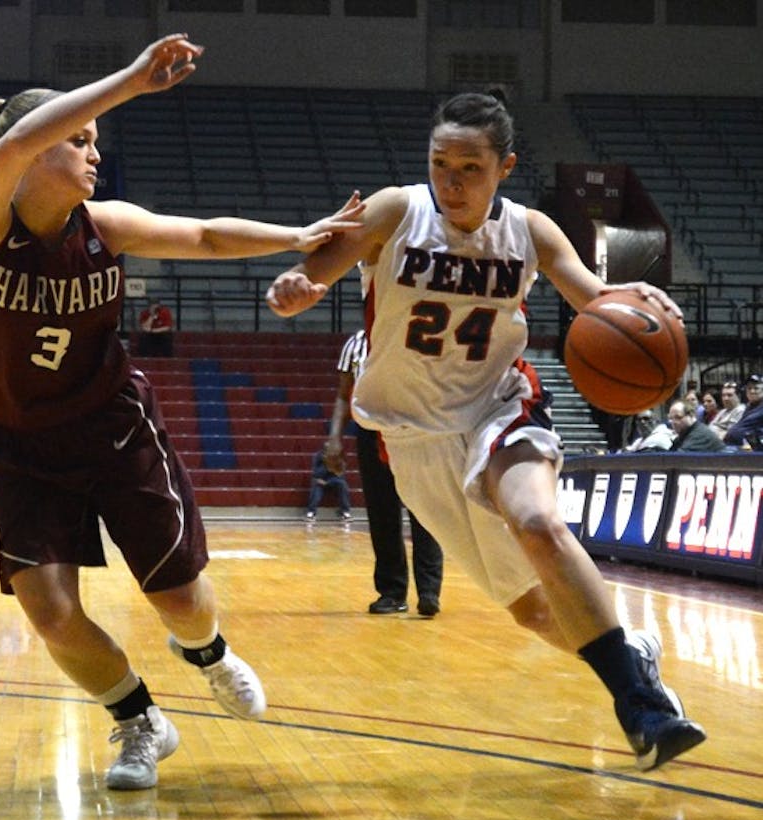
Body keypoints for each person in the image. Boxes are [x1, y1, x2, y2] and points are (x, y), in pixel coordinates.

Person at [0, 34, 362, 791]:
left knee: (175, 595)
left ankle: (207, 654)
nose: (94, 153)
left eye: (95, 142)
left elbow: (204, 235)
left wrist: (298, 237)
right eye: (78, 140)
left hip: (111, 424)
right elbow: (16, 138)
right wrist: (130, 81)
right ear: (36, 151)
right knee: (46, 608)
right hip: (20, 441)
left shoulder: (101, 227)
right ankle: (138, 721)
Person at [265, 91, 705, 770]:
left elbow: (593, 299)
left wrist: (637, 302)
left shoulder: (530, 230)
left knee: (538, 523)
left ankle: (641, 709)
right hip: (410, 435)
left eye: (470, 167)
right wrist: (298, 287)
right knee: (532, 614)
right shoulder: (397, 210)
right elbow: (314, 272)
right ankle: (631, 653)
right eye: (441, 163)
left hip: (499, 406)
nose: (451, 180)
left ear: (504, 167)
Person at [328, 329, 443, 616]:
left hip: (416, 428)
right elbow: (344, 395)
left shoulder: (416, 333)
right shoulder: (356, 343)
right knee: (382, 515)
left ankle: (429, 592)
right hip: (370, 431)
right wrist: (334, 438)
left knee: (425, 511)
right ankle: (392, 593)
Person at [304, 441, 351, 521]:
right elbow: (315, 473)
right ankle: (311, 512)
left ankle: (345, 512)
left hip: (334, 480)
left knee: (342, 484)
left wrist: (328, 482)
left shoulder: (339, 457)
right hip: (321, 479)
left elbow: (340, 475)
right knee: (316, 484)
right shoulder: (318, 456)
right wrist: (326, 465)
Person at [723, 374, 763, 449]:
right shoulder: (750, 406)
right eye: (749, 388)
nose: (752, 391)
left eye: (756, 388)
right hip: (738, 446)